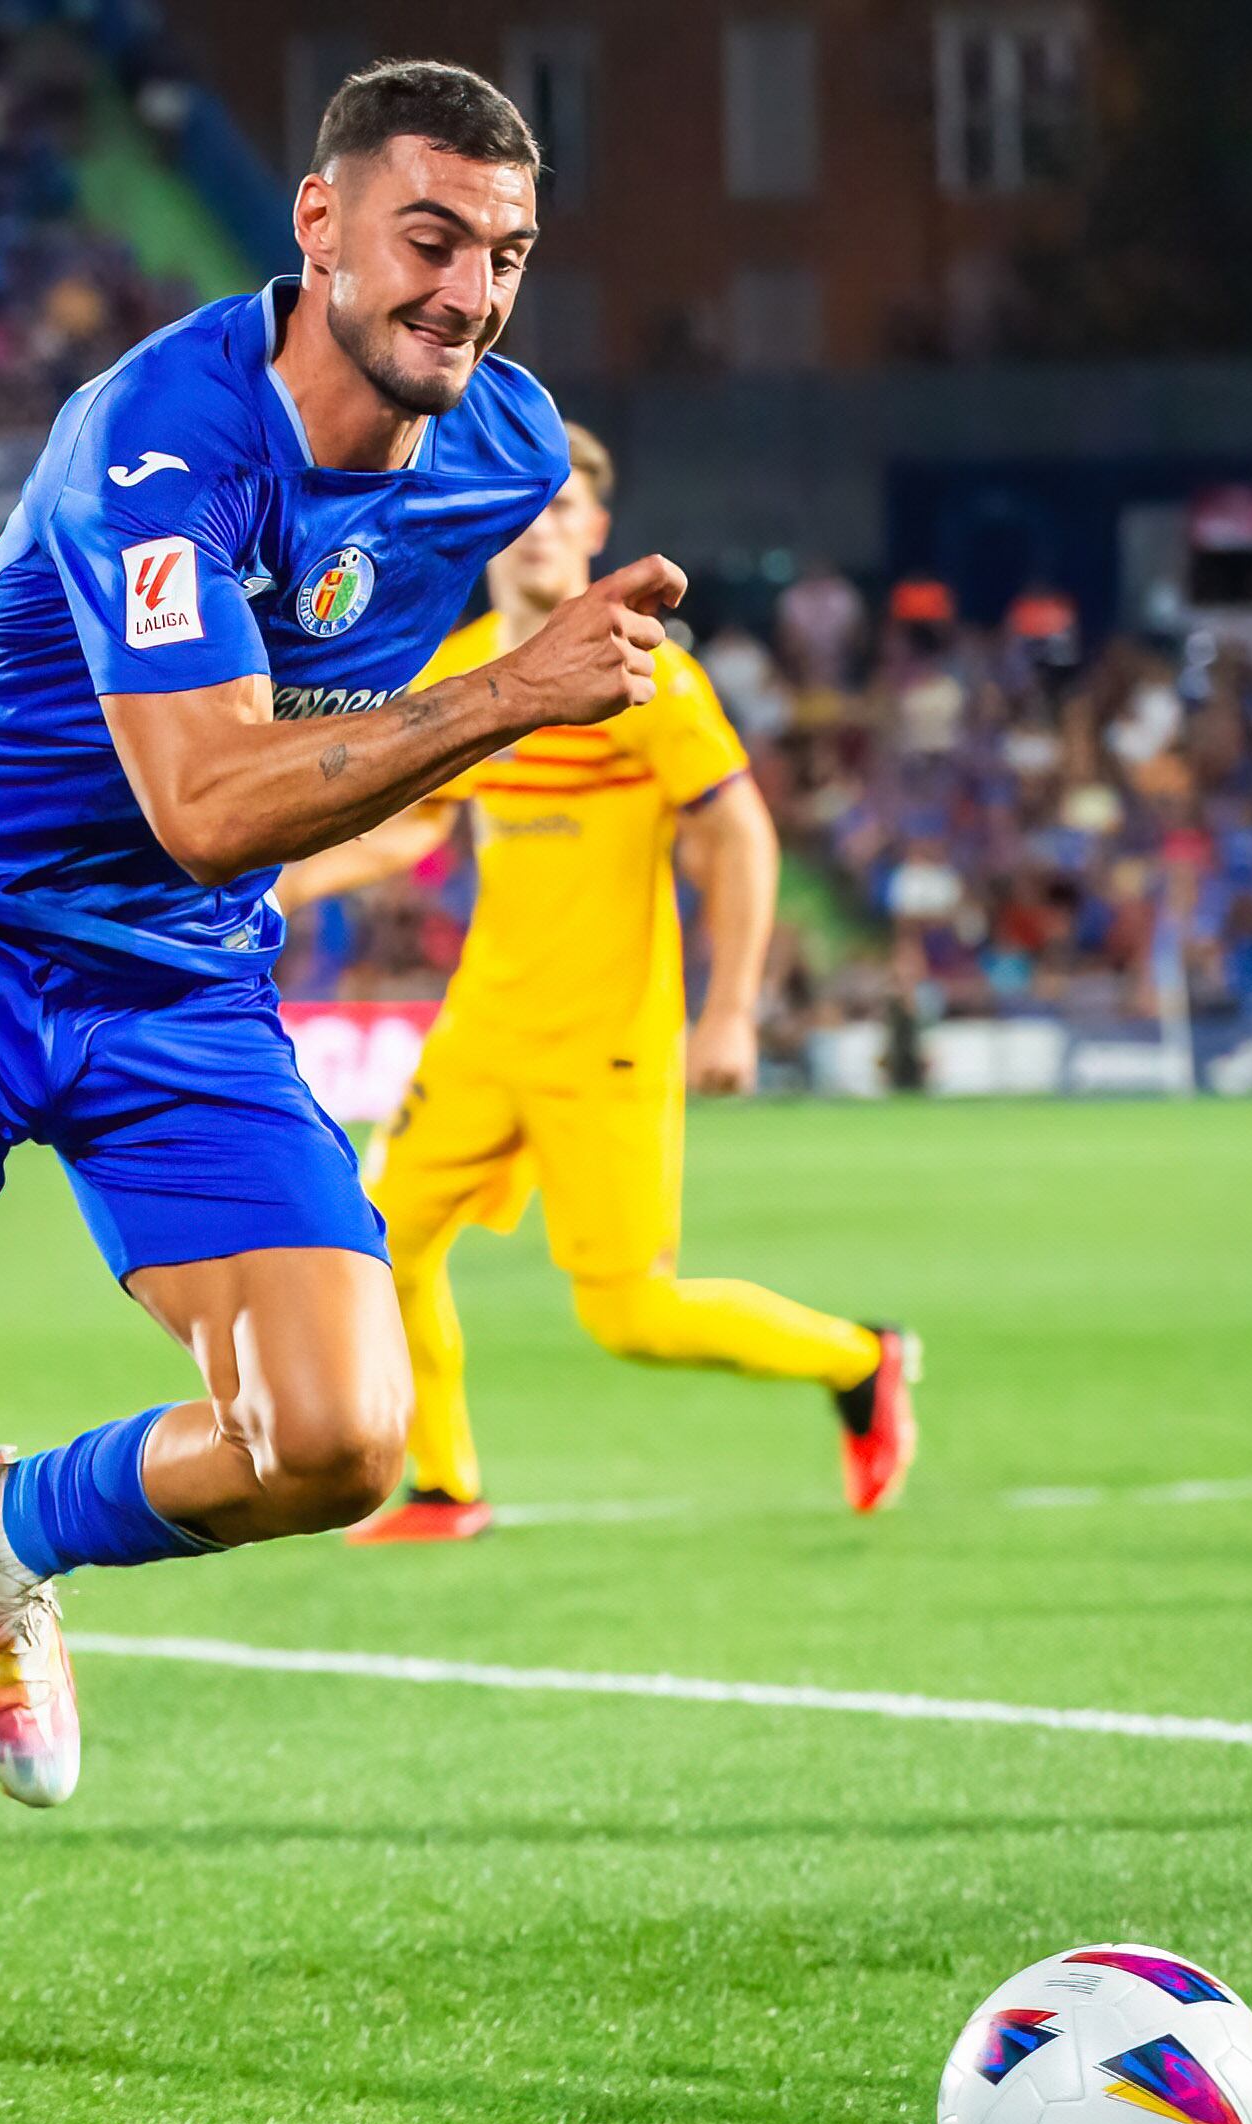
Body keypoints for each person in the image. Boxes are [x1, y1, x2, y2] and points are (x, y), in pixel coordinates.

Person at [0, 61, 684, 2045]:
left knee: (342, 1436)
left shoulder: (499, 449)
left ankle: (6, 1521)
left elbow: (353, 699)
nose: (468, 294)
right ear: (316, 225)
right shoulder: (154, 441)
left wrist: (550, 664)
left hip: (176, 987)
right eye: (429, 240)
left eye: (504, 255)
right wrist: (512, 691)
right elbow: (202, 796)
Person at [271, 424, 918, 1544]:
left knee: (629, 1313)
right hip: (482, 1030)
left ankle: (861, 1360)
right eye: (520, 508)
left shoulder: (641, 672)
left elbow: (742, 835)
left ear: (596, 532)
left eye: (564, 509)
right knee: (380, 1238)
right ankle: (442, 1481)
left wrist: (727, 1012)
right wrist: (275, 883)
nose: (540, 531)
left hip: (607, 1042)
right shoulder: (463, 665)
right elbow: (411, 829)